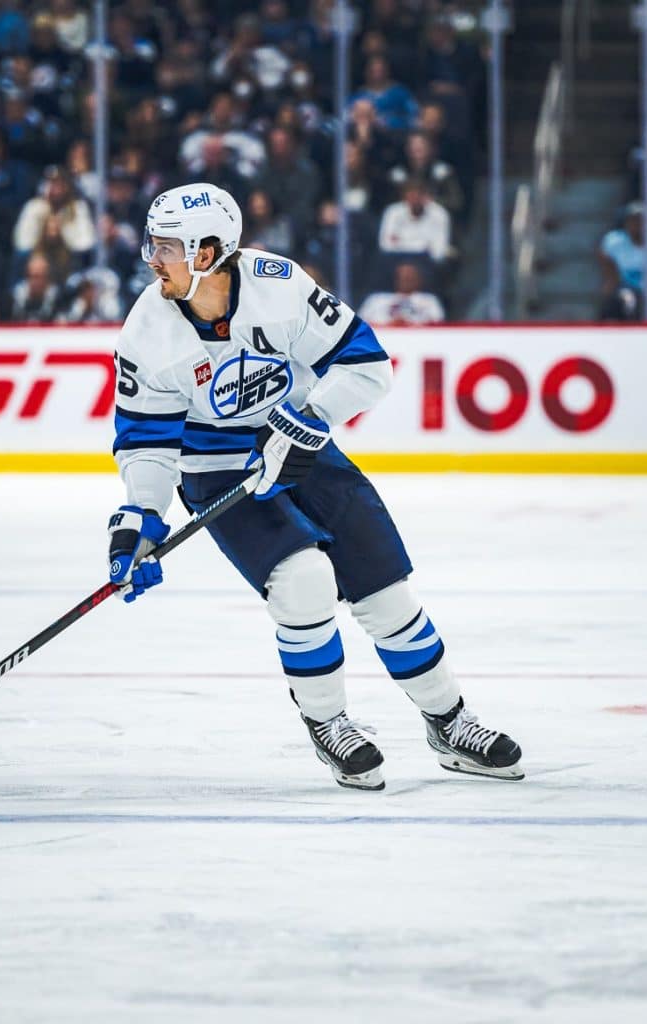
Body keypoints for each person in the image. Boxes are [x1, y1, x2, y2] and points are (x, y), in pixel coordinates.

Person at [107, 183, 522, 790]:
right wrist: (140, 518)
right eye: (153, 244)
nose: (152, 259)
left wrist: (308, 421)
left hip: (306, 448)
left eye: (166, 247)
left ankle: (449, 722)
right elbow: (147, 442)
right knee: (303, 584)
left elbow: (367, 365)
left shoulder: (277, 286)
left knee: (387, 596)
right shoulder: (147, 329)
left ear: (206, 253)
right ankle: (329, 723)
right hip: (217, 470)